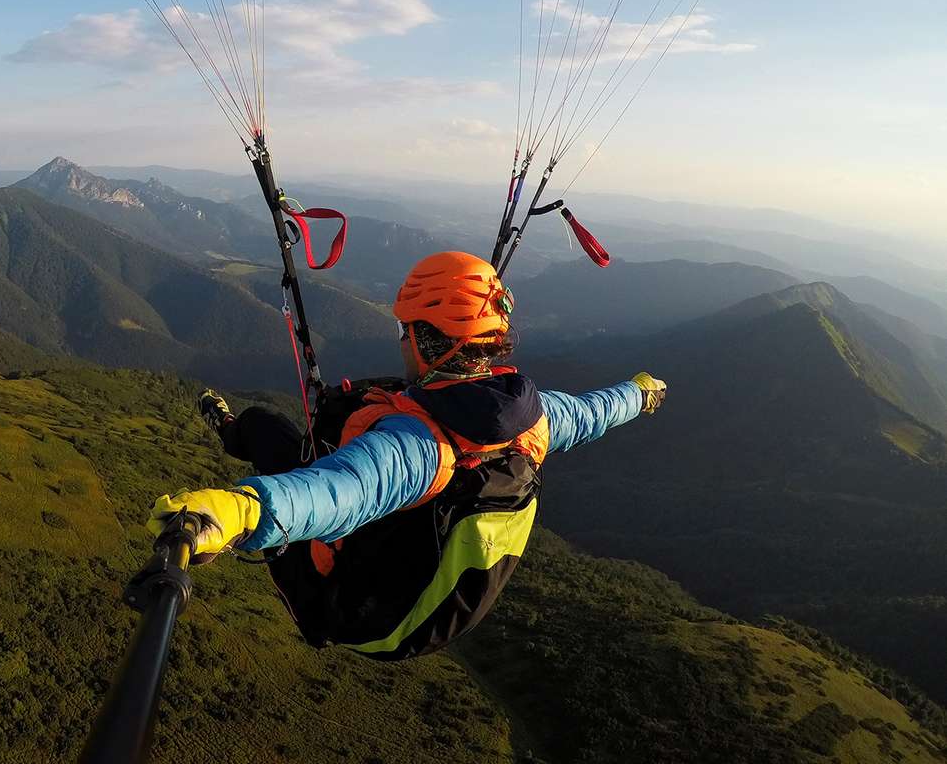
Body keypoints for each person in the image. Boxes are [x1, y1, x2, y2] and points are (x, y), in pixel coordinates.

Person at [147, 251, 667, 661]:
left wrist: (240, 510)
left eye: (405, 329)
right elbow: (595, 410)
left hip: (357, 614)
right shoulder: (534, 419)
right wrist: (640, 394)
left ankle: (233, 429)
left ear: (423, 339)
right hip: (424, 593)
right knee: (280, 432)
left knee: (278, 443)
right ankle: (237, 428)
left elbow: (339, 493)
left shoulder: (418, 448)